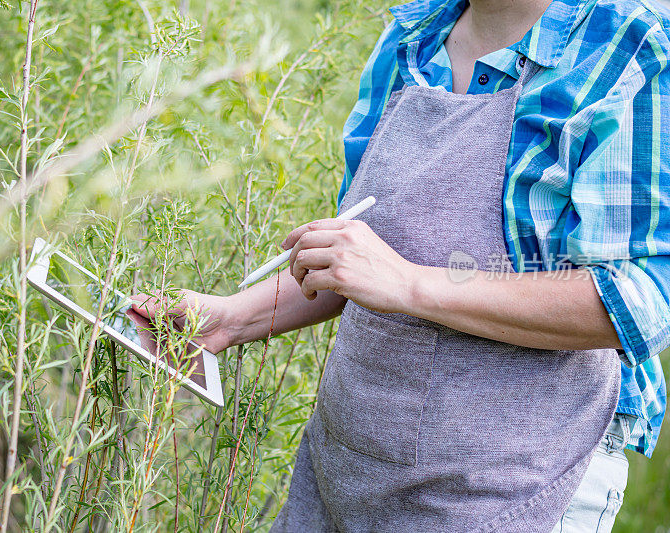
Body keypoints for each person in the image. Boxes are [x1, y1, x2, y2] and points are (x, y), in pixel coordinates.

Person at [131, 0, 670, 530]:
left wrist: (409, 285)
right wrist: (232, 318)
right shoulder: (413, 36)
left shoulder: (627, 51)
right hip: (344, 475)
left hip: (512, 489)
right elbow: (359, 260)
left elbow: (639, 302)